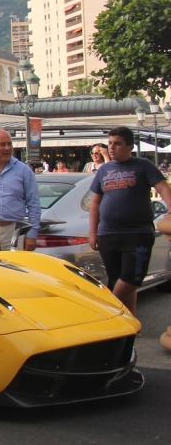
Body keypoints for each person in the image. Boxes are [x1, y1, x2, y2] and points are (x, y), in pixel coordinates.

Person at [88, 126, 171, 315]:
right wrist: (93, 232)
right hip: (108, 234)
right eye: (110, 143)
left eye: (117, 144)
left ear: (129, 147)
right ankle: (131, 327)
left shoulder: (143, 166)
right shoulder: (104, 170)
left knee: (132, 278)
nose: (111, 147)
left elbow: (164, 189)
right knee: (117, 278)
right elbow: (95, 204)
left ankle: (109, 312)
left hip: (137, 234)